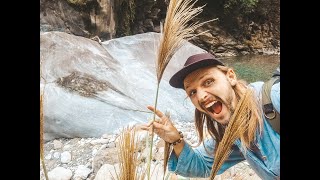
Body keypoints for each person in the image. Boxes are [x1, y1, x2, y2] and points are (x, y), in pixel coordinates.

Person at [141, 52, 280, 179]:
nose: (201, 97)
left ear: (231, 77)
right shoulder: (232, 131)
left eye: (208, 82)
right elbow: (203, 165)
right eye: (192, 92)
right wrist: (176, 140)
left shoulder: (275, 97)